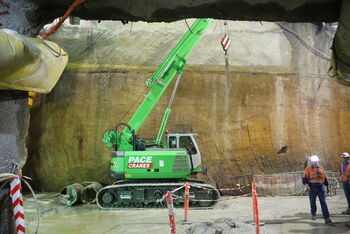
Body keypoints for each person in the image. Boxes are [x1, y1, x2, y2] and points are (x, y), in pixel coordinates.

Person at [302, 155, 332, 224]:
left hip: (321, 188)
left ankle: (326, 218)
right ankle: (313, 214)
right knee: (312, 202)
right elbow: (304, 178)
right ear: (311, 162)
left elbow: (324, 178)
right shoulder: (308, 169)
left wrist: (327, 187)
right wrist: (306, 185)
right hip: (312, 188)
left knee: (323, 202)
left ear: (317, 161)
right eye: (313, 161)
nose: (314, 163)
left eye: (315, 161)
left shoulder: (321, 168)